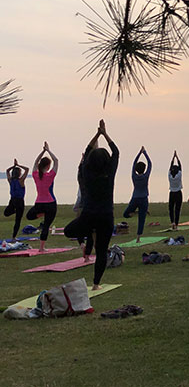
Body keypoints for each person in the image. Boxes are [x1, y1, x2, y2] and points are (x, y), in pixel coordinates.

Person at [64, 120, 119, 290]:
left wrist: (97, 134)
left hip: (89, 216)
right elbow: (116, 152)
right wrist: (104, 133)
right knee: (101, 250)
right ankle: (96, 284)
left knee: (68, 231)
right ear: (106, 162)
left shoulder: (86, 173)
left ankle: (90, 232)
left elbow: (87, 152)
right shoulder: (109, 173)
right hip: (105, 216)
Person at [26, 142, 59, 252]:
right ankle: (41, 248)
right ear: (48, 166)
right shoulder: (50, 175)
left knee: (29, 216)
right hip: (50, 204)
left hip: (39, 203)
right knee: (46, 226)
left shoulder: (36, 175)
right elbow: (56, 161)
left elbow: (35, 162)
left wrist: (43, 151)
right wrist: (48, 150)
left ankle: (42, 214)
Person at [123, 146, 152, 243]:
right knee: (142, 219)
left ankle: (136, 212)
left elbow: (134, 163)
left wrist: (139, 153)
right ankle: (138, 238)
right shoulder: (146, 176)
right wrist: (145, 153)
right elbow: (150, 164)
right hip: (143, 199)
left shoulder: (134, 176)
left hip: (135, 198)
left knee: (126, 214)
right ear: (144, 169)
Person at [4, 159, 28, 241]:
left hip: (13, 200)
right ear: (19, 173)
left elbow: (7, 170)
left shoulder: (10, 180)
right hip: (19, 201)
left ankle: (14, 237)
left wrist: (14, 166)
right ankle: (14, 237)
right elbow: (27, 169)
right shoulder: (21, 181)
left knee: (9, 215)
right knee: (15, 219)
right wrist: (18, 165)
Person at [168, 151, 183, 230]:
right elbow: (180, 167)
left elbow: (170, 168)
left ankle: (172, 222)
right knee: (177, 209)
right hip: (178, 193)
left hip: (172, 193)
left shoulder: (170, 176)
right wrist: (177, 157)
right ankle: (176, 224)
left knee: (171, 208)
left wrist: (173, 158)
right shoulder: (179, 175)